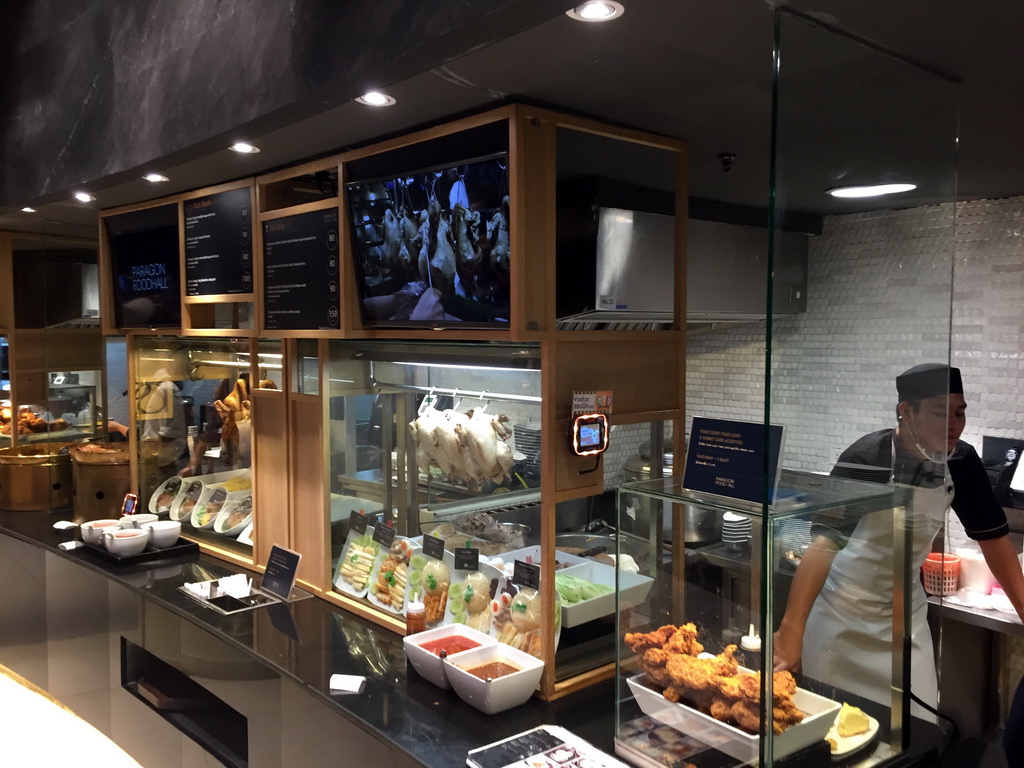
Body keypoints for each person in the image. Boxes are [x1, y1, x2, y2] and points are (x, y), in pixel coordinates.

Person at [773, 363, 1024, 719]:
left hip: (904, 623)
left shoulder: (962, 462)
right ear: (905, 412)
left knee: (917, 728)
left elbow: (995, 540)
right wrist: (790, 630)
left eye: (960, 413)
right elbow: (824, 545)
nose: (954, 425)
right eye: (941, 413)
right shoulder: (865, 458)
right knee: (832, 729)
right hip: (839, 621)